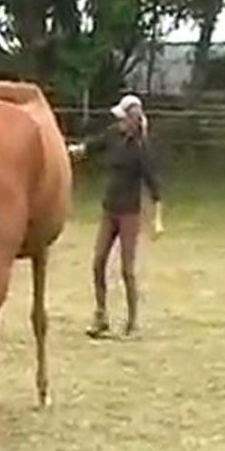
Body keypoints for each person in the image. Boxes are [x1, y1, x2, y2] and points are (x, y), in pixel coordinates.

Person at [68, 93, 164, 338]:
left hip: (129, 214)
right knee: (98, 262)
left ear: (132, 120)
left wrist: (157, 219)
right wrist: (77, 150)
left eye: (123, 118)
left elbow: (154, 185)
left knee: (127, 270)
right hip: (109, 209)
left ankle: (132, 321)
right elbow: (95, 144)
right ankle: (101, 315)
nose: (119, 121)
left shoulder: (141, 149)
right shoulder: (114, 135)